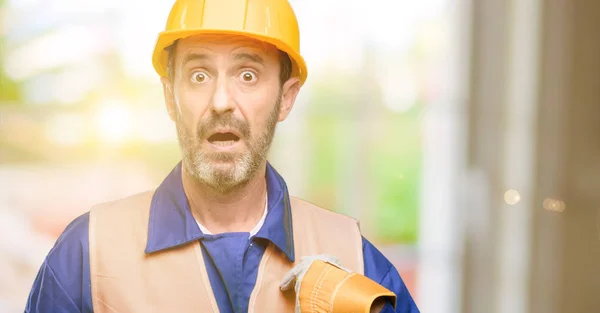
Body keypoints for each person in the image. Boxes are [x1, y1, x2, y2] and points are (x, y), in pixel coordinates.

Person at [24, 0, 420, 312]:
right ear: (169, 96)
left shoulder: (354, 263)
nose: (220, 102)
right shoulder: (88, 256)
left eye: (247, 74)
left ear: (286, 97)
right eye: (199, 75)